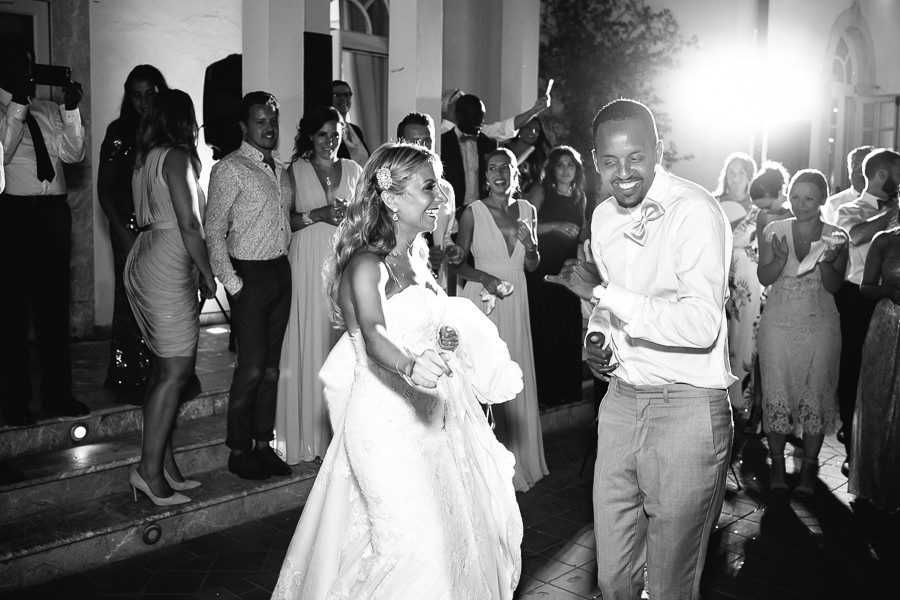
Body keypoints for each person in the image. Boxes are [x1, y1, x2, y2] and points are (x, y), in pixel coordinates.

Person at [271, 143, 523, 599]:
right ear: (391, 198)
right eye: (429, 187)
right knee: (415, 554)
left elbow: (421, 325)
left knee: (448, 545)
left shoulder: (419, 259)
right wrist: (409, 363)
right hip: (386, 427)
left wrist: (447, 338)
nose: (441, 197)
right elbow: (374, 333)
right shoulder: (368, 263)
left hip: (429, 422)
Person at [546, 99, 734, 600]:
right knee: (613, 579)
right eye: (609, 161)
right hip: (621, 404)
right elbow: (609, 311)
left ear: (659, 151)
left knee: (672, 583)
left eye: (635, 158)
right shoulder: (604, 217)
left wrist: (602, 295)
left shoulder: (695, 212)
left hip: (688, 409)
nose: (622, 173)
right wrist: (597, 341)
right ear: (594, 160)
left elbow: (701, 325)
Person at [124, 89, 217, 505]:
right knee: (176, 372)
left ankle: (163, 463)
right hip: (166, 263)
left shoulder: (146, 158)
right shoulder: (176, 157)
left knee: (165, 372)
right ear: (184, 121)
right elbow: (190, 224)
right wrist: (208, 271)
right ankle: (147, 471)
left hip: (146, 256)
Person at [0, 35, 88, 426]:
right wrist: (17, 102)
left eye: (30, 62)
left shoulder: (50, 109)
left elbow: (73, 154)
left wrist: (71, 110)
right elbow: (2, 151)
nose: (28, 70)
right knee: (13, 312)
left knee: (54, 307)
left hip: (54, 211)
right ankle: (15, 401)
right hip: (15, 213)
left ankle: (58, 393)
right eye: (19, 62)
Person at [207, 91, 293, 481]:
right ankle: (238, 449)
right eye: (260, 121)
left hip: (279, 271)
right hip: (249, 276)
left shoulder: (281, 168)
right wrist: (233, 284)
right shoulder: (230, 169)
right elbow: (213, 231)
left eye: (272, 119)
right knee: (252, 367)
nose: (269, 127)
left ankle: (263, 444)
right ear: (244, 126)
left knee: (272, 369)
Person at [274, 106, 363, 464]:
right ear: (310, 136)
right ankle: (302, 436)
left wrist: (351, 218)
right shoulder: (292, 172)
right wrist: (318, 215)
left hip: (342, 264)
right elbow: (281, 223)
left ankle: (339, 437)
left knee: (339, 344)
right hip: (305, 265)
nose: (330, 141)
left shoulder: (355, 170)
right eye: (323, 134)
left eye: (336, 133)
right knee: (306, 340)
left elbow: (366, 220)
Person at [455, 148, 548, 491]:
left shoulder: (527, 211)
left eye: (505, 168)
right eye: (492, 168)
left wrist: (532, 245)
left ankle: (515, 459)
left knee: (515, 370)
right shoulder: (472, 213)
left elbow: (533, 265)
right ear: (485, 175)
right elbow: (458, 263)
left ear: (514, 173)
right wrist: (486, 278)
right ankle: (478, 464)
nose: (499, 174)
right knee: (483, 377)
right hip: (483, 300)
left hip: (516, 297)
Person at [756, 169, 847, 497]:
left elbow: (835, 286)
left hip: (820, 326)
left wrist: (825, 260)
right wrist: (780, 260)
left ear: (822, 199)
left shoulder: (837, 236)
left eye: (809, 198)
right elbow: (764, 278)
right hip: (777, 324)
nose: (801, 203)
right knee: (776, 392)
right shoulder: (773, 230)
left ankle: (809, 467)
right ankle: (777, 463)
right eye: (795, 196)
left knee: (815, 395)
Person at [97, 65, 168, 403]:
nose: (142, 102)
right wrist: (122, 233)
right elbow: (104, 190)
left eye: (149, 95)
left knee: (163, 302)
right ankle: (129, 375)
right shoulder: (118, 132)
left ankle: (164, 373)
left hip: (163, 230)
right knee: (132, 302)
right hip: (127, 228)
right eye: (136, 95)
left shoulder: (166, 131)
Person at [834, 149, 900, 472]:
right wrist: (891, 215)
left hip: (891, 300)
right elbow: (855, 236)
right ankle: (853, 451)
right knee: (854, 372)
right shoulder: (849, 209)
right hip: (855, 299)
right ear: (883, 175)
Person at [525, 145, 586, 407]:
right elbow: (524, 226)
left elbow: (581, 236)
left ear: (577, 169)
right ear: (552, 168)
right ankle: (545, 395)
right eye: (560, 164)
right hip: (542, 269)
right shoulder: (541, 192)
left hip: (568, 271)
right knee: (544, 330)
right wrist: (553, 227)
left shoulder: (580, 197)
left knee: (567, 330)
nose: (565, 170)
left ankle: (567, 393)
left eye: (570, 164)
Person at [851, 223, 900, 512]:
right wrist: (887, 290)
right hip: (886, 324)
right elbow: (865, 287)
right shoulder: (885, 240)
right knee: (878, 403)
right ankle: (873, 483)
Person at [714, 153, 761, 420]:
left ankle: (742, 407)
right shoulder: (712, 202)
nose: (735, 176)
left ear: (749, 177)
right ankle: (714, 401)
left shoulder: (758, 209)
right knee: (716, 337)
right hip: (715, 279)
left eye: (741, 172)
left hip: (746, 284)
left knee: (744, 342)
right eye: (731, 171)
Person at [396, 111, 464, 291]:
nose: (422, 148)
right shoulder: (392, 188)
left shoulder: (446, 188)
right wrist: (422, 255)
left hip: (438, 282)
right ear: (401, 144)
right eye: (415, 142)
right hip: (401, 281)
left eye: (427, 141)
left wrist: (450, 249)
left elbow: (445, 235)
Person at [440, 94, 500, 213]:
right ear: (459, 116)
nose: (481, 121)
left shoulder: (490, 144)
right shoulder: (443, 143)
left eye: (482, 116)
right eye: (475, 116)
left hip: (483, 211)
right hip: (452, 212)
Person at [440, 86, 551, 143]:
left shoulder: (477, 132)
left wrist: (534, 110)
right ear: (451, 107)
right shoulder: (439, 136)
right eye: (462, 101)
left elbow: (504, 129)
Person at [822, 145, 875, 224]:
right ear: (849, 168)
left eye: (864, 166)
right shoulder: (833, 203)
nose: (859, 171)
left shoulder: (886, 202)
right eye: (856, 165)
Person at [504, 118, 550, 196]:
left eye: (537, 130)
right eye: (528, 128)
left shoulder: (539, 157)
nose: (533, 132)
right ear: (520, 129)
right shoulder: (504, 150)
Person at [331, 80, 370, 166]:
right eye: (337, 95)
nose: (343, 98)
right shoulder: (329, 131)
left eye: (346, 95)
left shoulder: (356, 130)